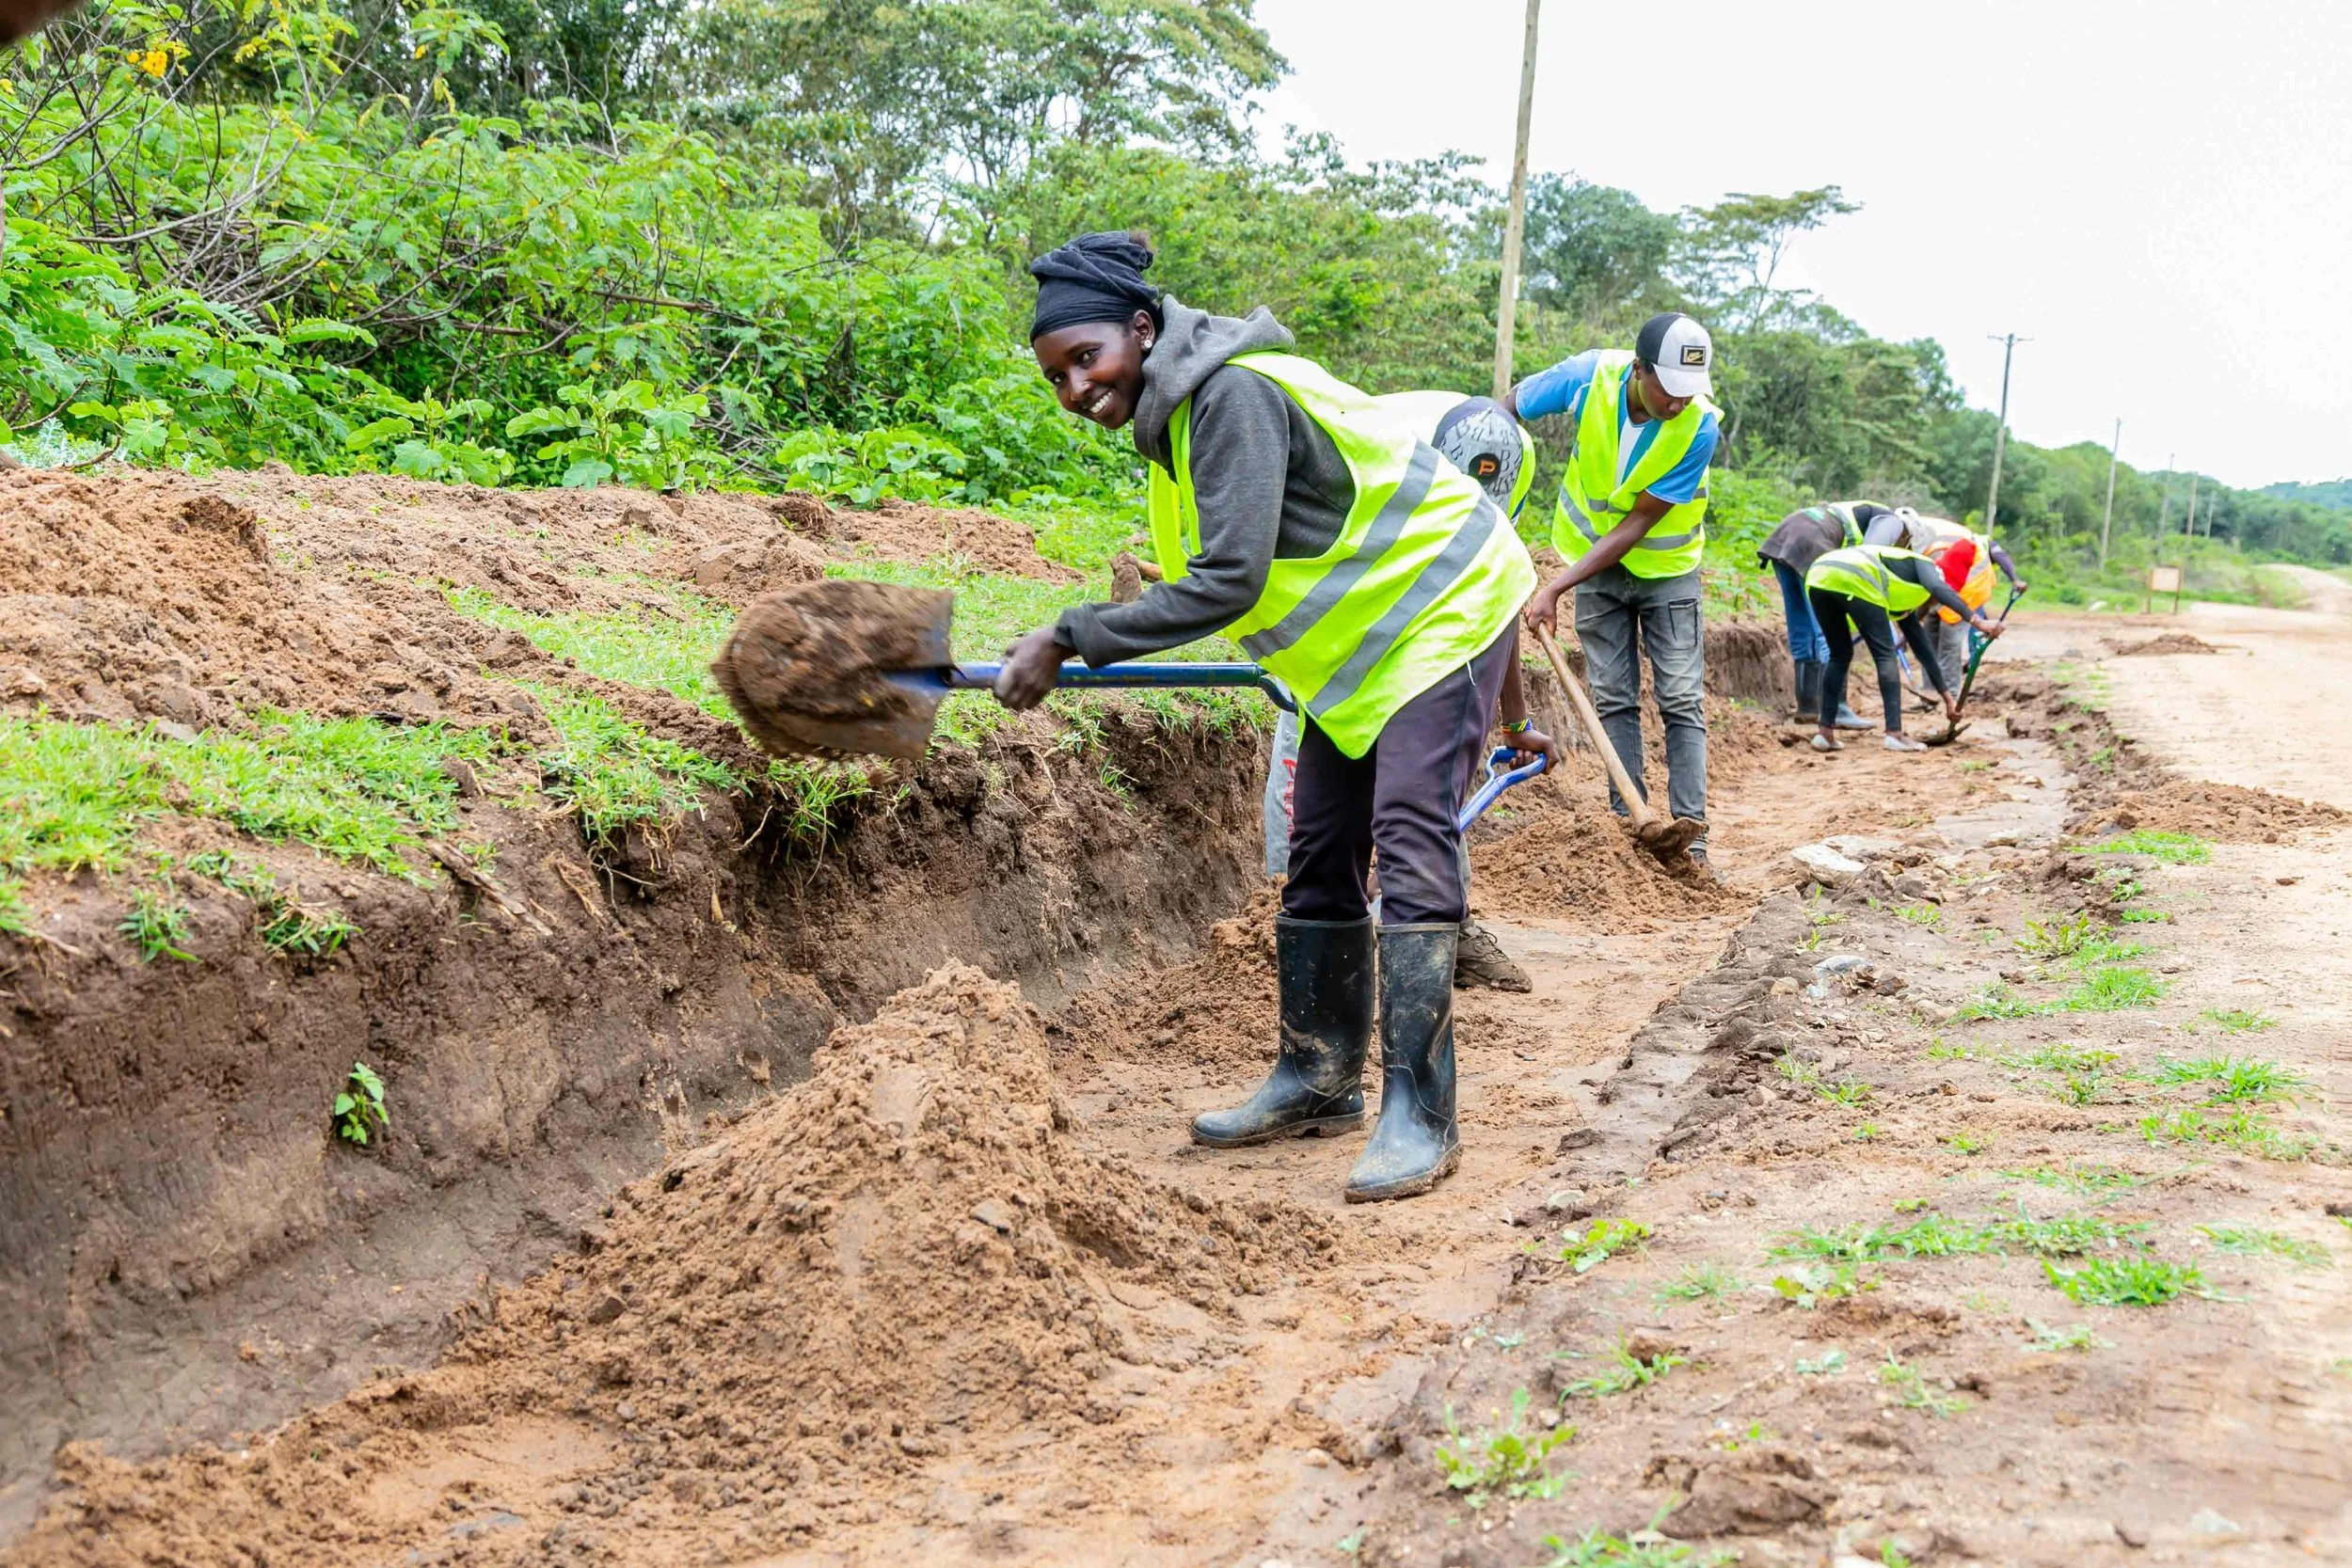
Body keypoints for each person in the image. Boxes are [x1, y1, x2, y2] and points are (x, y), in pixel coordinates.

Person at [997, 232, 1537, 1203]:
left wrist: (1069, 635)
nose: (1076, 388)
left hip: (1443, 602)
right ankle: (1318, 1075)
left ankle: (1421, 1112)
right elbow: (1246, 560)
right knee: (1323, 841)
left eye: (1086, 358)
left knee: (1408, 830)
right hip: (1366, 644)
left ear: (1142, 326)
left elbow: (1229, 580)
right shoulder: (1172, 420)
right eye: (1056, 377)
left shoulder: (1231, 394)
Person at [1262, 389, 1557, 994]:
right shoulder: (1357, 454)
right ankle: (1290, 937)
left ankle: (1444, 929)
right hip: (1333, 625)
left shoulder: (1513, 458)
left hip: (1431, 635)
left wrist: (1513, 722)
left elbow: (1492, 584)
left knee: (1423, 797)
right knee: (1312, 811)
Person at [1517, 313, 1719, 870]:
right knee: (1613, 700)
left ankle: (1692, 841)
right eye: (1669, 390)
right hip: (1595, 571)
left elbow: (1636, 526)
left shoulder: (1700, 427)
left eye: (1688, 393)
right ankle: (1630, 827)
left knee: (1680, 700)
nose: (1679, 404)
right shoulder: (1589, 377)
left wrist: (1552, 587)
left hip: (1668, 571)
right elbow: (1509, 407)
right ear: (1639, 368)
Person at [1803, 542, 2007, 752]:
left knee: (1840, 654)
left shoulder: (1906, 599)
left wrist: (1948, 699)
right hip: (1855, 576)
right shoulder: (1929, 567)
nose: (1935, 603)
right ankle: (1894, 735)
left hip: (1820, 575)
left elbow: (1923, 650)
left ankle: (1824, 734)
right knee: (1885, 655)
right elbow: (1938, 587)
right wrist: (1978, 622)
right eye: (1938, 599)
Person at [1755, 500, 1899, 728]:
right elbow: (1867, 557)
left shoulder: (1852, 511)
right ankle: (1838, 708)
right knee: (1826, 630)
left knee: (1801, 625)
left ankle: (1808, 707)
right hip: (1812, 543)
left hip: (1785, 537)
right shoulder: (1892, 521)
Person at [1863, 509, 2027, 691]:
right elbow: (1925, 601)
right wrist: (1907, 635)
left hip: (1965, 592)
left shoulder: (1974, 543)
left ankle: (1950, 692)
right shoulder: (1923, 553)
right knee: (1927, 639)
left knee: (1949, 643)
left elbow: (1999, 555)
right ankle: (1930, 691)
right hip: (1945, 582)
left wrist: (2014, 579)